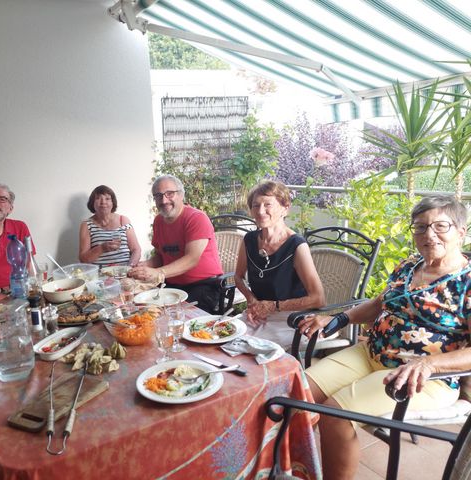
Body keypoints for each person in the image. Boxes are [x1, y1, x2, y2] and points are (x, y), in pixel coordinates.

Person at [296, 195, 471, 480]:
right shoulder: (410, 265)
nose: (429, 234)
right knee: (297, 392)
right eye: (420, 227)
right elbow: (380, 303)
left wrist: (428, 364)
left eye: (441, 226)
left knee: (335, 415)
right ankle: (290, 466)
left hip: (420, 377)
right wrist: (340, 318)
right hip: (370, 354)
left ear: (461, 232)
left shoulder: (467, 281)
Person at [129, 174, 223, 313]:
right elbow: (160, 256)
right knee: (141, 310)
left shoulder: (196, 218)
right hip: (171, 285)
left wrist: (158, 272)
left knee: (177, 319)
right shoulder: (158, 221)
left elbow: (192, 259)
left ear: (181, 195)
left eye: (170, 194)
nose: (164, 200)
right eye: (158, 196)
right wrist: (145, 265)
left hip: (203, 285)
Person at [234, 180, 325, 325]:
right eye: (255, 205)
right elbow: (238, 277)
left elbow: (318, 299)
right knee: (221, 333)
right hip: (258, 314)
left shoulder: (297, 246)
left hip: (291, 318)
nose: (260, 211)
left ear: (285, 209)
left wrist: (272, 306)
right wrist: (252, 301)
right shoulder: (249, 240)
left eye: (268, 204)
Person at [79, 185, 141, 266]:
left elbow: (136, 249)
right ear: (92, 203)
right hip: (99, 273)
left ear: (112, 203)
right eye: (98, 198)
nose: (103, 202)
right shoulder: (86, 225)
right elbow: (83, 259)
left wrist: (130, 267)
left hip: (125, 271)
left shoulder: (123, 220)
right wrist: (102, 248)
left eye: (107, 198)